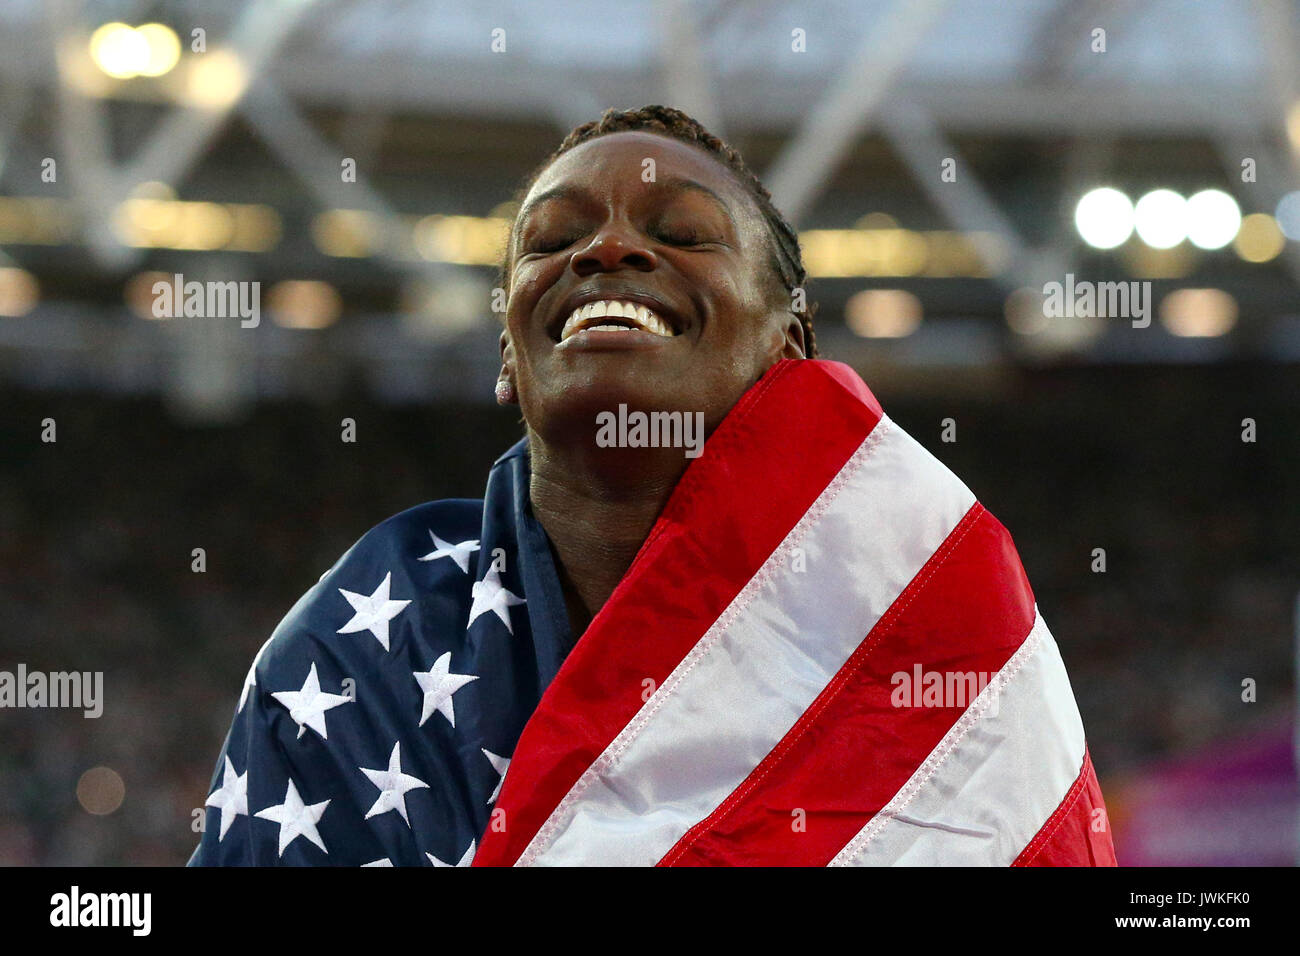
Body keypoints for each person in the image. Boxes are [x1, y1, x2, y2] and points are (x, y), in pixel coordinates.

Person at [190, 105, 1115, 867]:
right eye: (554, 237)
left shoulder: (933, 616)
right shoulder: (362, 646)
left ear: (788, 344)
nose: (609, 250)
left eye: (680, 232)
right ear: (509, 353)